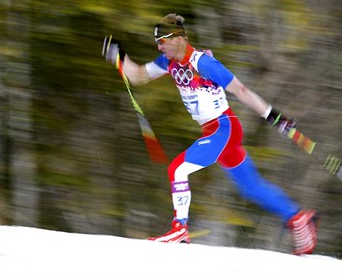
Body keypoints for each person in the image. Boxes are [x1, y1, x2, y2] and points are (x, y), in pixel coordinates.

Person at [102, 13, 318, 255]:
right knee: (251, 187)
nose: (159, 46)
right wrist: (119, 57)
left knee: (177, 169)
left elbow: (241, 90)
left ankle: (179, 230)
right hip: (215, 132)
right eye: (157, 42)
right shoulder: (168, 62)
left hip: (224, 129)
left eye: (162, 40)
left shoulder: (204, 63)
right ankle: (298, 218)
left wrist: (273, 116)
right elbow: (140, 75)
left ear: (178, 39)